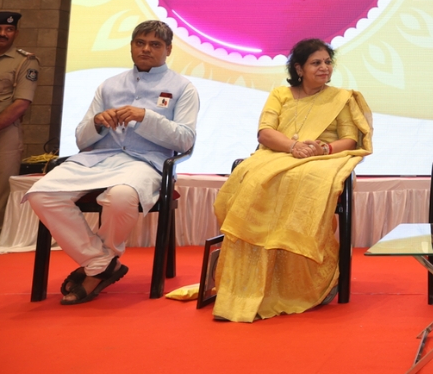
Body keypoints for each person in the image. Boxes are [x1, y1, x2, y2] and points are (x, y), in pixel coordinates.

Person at [25, 20, 198, 305]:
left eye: (155, 44)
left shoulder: (183, 88)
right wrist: (97, 122)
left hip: (146, 162)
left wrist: (146, 117)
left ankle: (97, 268)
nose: (146, 49)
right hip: (98, 158)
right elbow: (81, 139)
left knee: (121, 196)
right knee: (41, 193)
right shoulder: (109, 85)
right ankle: (101, 263)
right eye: (140, 43)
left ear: (168, 50)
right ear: (131, 46)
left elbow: (185, 140)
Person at [211, 38, 373, 322]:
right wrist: (293, 147)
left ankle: (304, 281)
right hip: (278, 153)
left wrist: (323, 149)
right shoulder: (280, 94)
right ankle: (248, 284)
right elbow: (265, 133)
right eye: (316, 63)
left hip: (323, 159)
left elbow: (349, 139)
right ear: (299, 69)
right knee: (253, 179)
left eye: (327, 62)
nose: (324, 68)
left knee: (304, 178)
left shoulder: (342, 98)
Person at [0, 10, 39, 233]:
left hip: (3, 135)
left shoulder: (25, 61)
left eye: (9, 29)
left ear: (16, 33)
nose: (3, 33)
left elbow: (21, 103)